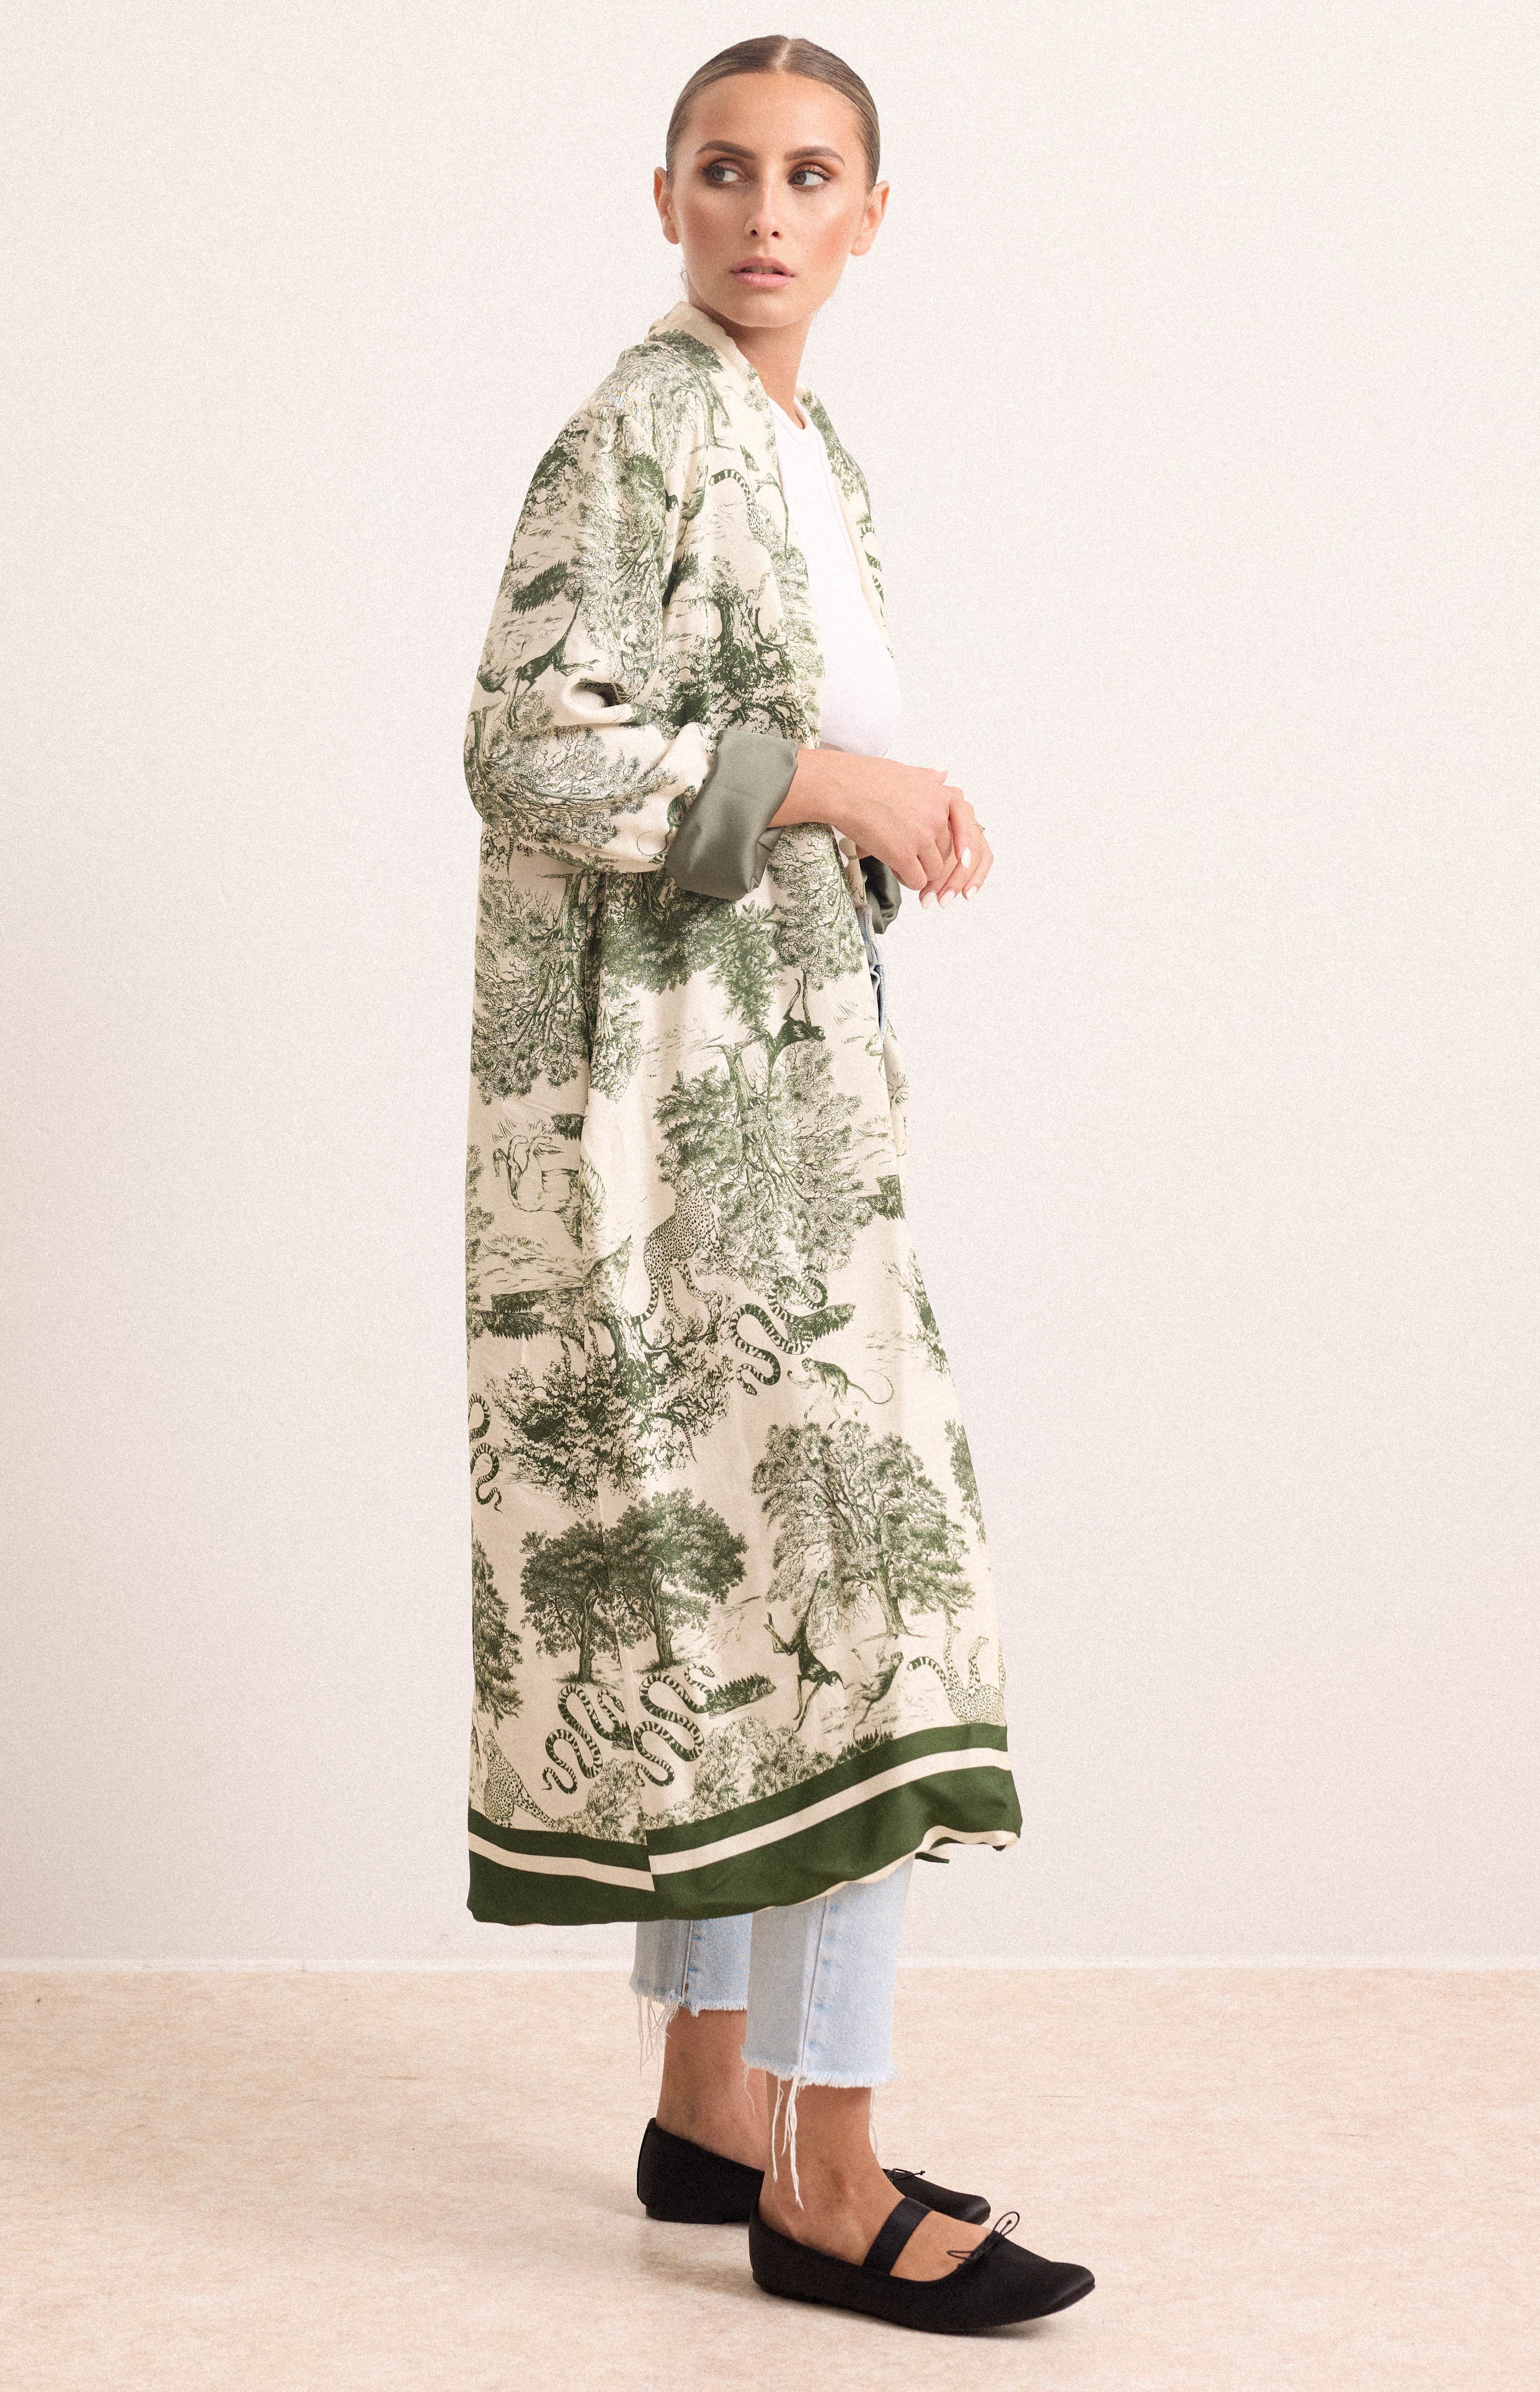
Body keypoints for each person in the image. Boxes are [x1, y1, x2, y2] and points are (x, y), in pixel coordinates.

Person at [460, 34, 1093, 2335]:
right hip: (678, 1129)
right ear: (666, 199)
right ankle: (827, 2176)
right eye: (725, 169)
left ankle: (711, 2104)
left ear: (868, 217)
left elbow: (741, 759)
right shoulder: (638, 426)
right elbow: (527, 745)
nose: (763, 210)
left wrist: (877, 814)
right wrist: (835, 781)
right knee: (862, 1580)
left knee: (757, 1575)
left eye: (810, 175)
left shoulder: (800, 447)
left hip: (777, 1096)